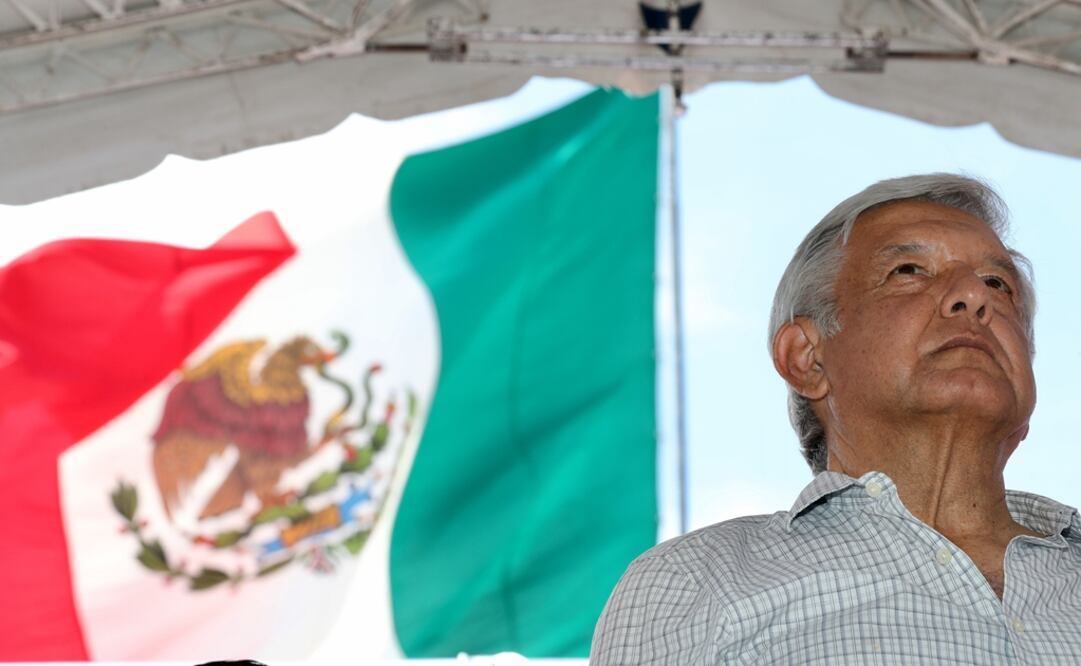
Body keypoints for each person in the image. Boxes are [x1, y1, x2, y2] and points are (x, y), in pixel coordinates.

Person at [589, 174, 1081, 664]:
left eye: (998, 283)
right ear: (806, 358)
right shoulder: (694, 584)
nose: (974, 296)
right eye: (909, 270)